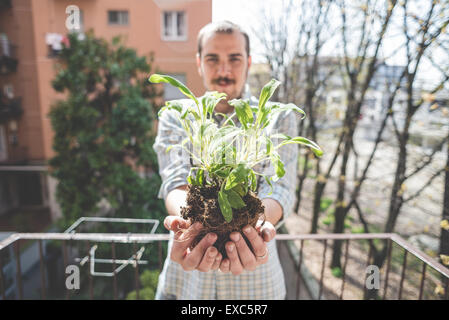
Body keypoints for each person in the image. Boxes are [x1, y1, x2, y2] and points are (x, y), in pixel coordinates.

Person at [153, 20, 299, 300]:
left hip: (257, 284)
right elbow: (175, 181)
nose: (223, 70)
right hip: (186, 280)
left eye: (234, 58)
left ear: (248, 62)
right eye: (212, 59)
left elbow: (279, 188)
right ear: (198, 63)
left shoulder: (277, 116)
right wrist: (192, 224)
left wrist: (255, 224)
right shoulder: (176, 114)